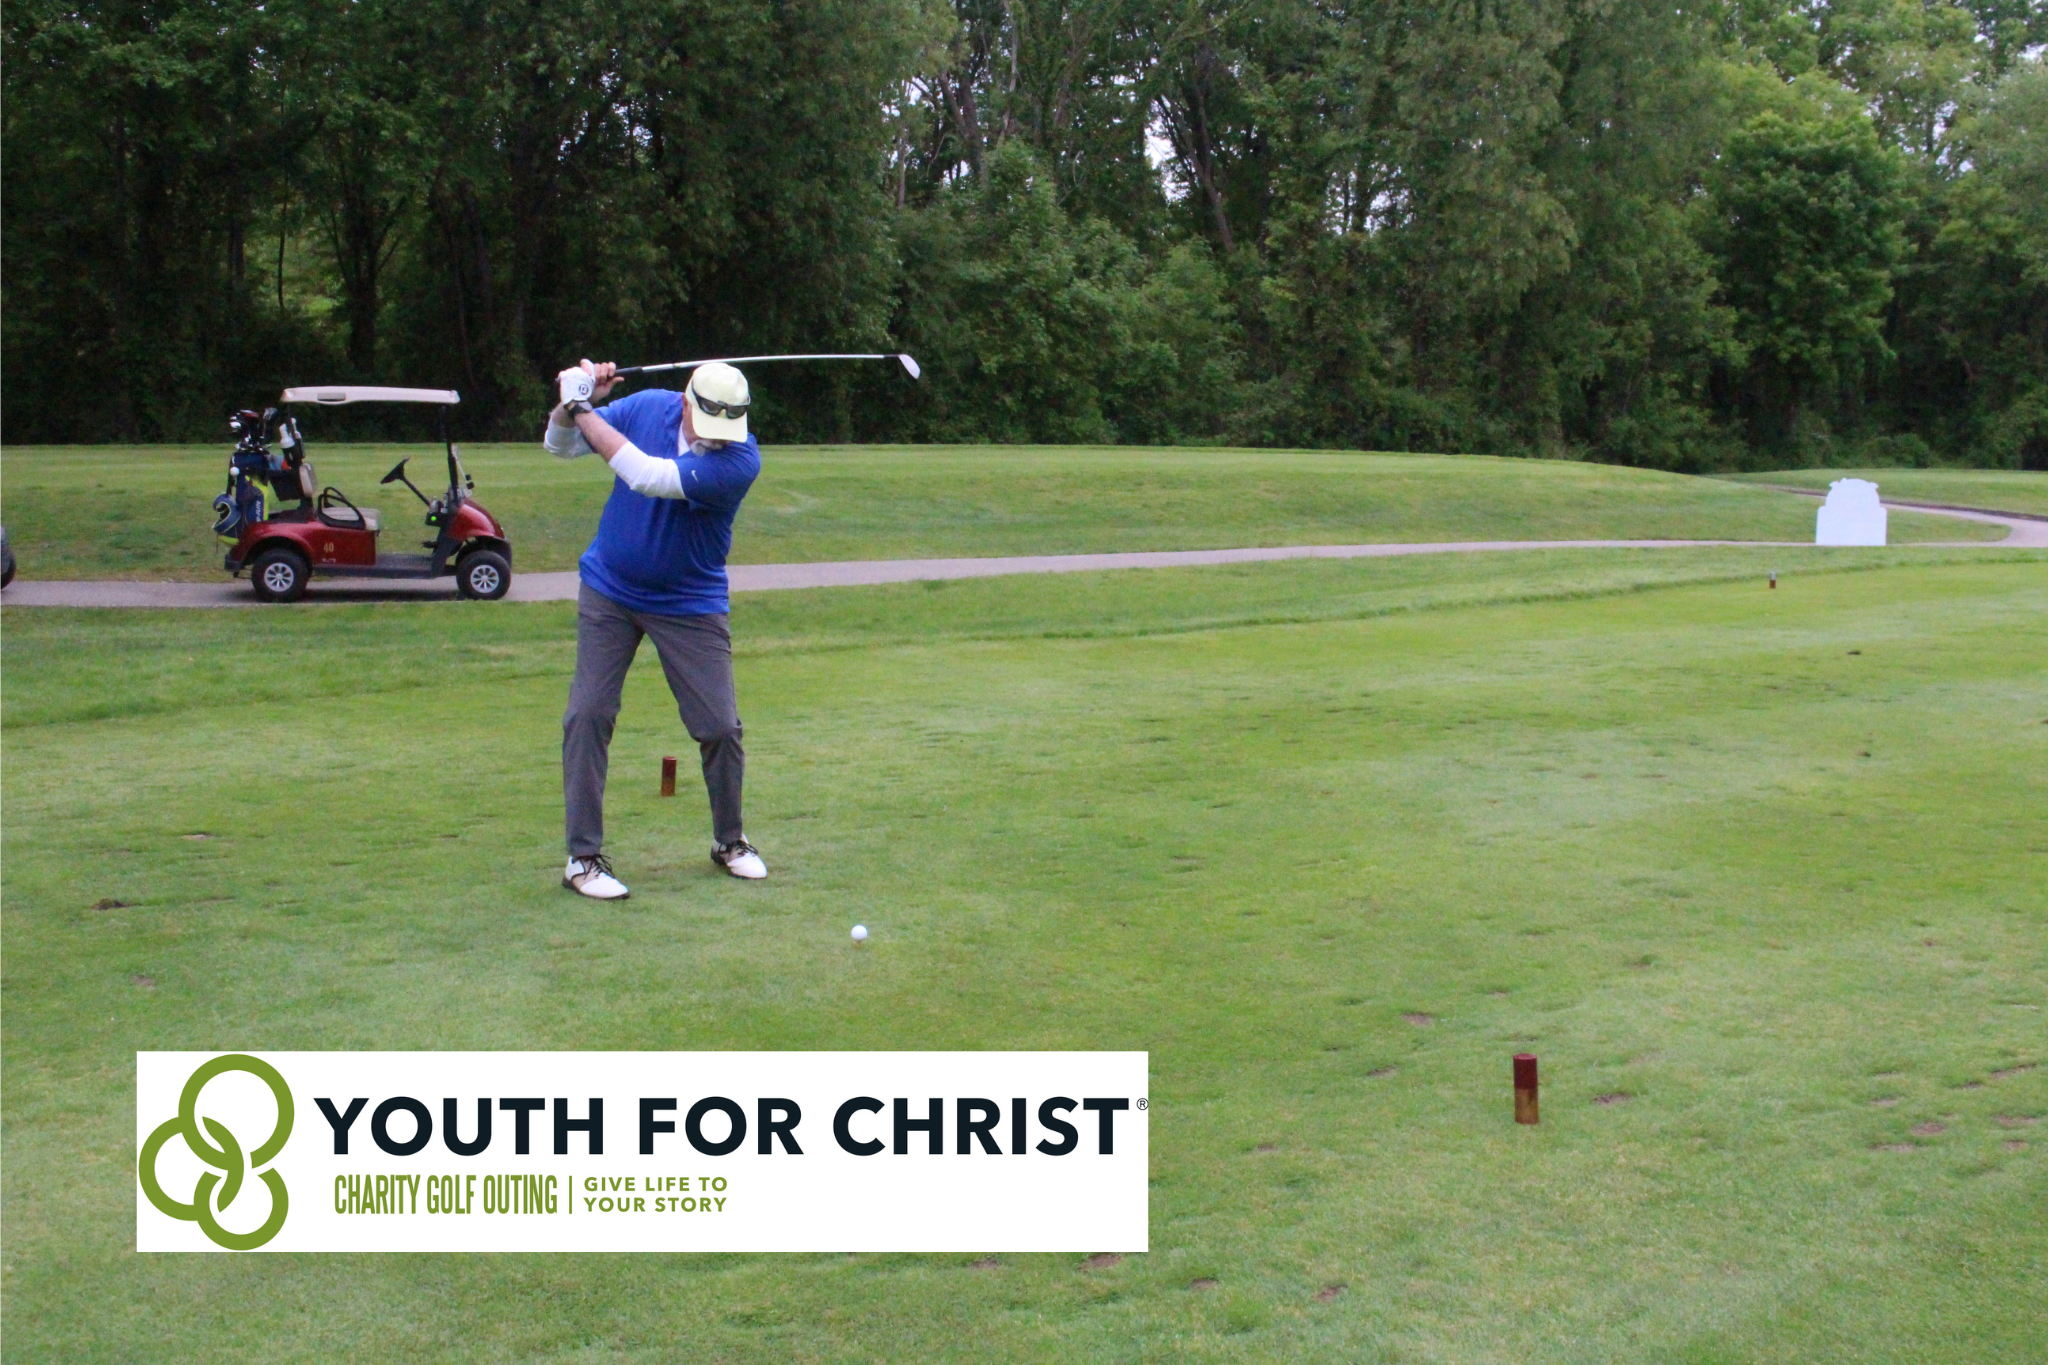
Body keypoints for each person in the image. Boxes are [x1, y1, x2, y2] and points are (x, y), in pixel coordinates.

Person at [544, 358, 767, 898]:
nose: (716, 438)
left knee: (719, 726)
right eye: (707, 424)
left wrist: (581, 405)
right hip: (610, 589)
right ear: (685, 403)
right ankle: (582, 859)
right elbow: (562, 445)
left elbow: (648, 476)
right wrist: (569, 405)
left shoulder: (740, 460)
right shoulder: (648, 406)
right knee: (588, 714)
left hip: (689, 601)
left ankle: (729, 841)